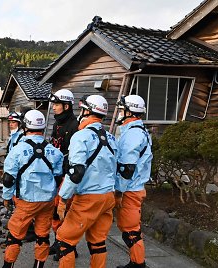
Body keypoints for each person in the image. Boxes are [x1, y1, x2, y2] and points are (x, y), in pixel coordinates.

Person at [55, 95, 117, 268]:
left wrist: (63, 198)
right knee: (98, 242)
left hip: (88, 198)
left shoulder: (80, 136)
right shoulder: (111, 138)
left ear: (87, 111)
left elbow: (76, 172)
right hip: (107, 196)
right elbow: (118, 169)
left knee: (64, 241)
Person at [2, 110, 64, 268]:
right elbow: (58, 177)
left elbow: (8, 179)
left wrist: (7, 197)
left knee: (14, 236)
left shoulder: (17, 150)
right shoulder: (55, 152)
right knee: (43, 236)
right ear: (42, 128)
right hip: (47, 201)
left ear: (24, 127)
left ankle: (8, 266)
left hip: (26, 201)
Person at [114, 95, 153, 268]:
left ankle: (139, 264)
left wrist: (118, 191)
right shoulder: (137, 131)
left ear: (130, 112)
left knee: (131, 230)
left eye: (122, 110)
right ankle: (135, 262)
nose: (119, 113)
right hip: (133, 187)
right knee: (129, 228)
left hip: (130, 189)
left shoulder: (133, 134)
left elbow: (127, 168)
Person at [48, 89, 79, 256]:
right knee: (55, 212)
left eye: (56, 104)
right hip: (56, 174)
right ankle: (58, 241)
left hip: (68, 175)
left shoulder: (75, 126)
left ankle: (69, 247)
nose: (53, 107)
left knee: (65, 212)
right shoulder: (56, 124)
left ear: (66, 106)